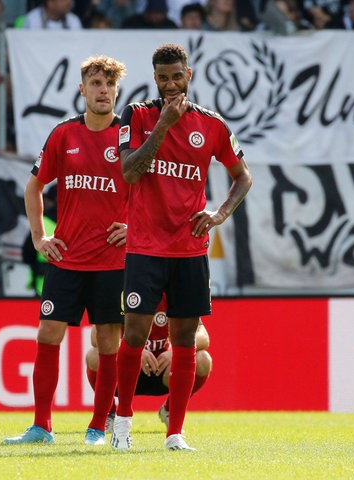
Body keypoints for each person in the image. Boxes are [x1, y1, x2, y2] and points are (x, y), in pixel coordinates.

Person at [111, 42, 252, 451]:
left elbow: (243, 176)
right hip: (145, 247)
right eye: (162, 77)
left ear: (189, 75)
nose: (170, 84)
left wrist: (221, 213)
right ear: (154, 79)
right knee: (134, 334)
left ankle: (175, 433)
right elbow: (129, 171)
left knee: (186, 339)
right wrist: (163, 126)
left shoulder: (212, 124)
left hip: (190, 248)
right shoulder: (136, 115)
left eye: (177, 76)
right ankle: (121, 427)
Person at [4, 55, 130, 445]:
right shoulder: (63, 135)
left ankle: (96, 427)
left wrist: (134, 227)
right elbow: (33, 187)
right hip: (67, 258)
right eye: (96, 83)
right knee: (47, 334)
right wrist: (40, 237)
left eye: (109, 84)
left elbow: (152, 191)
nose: (103, 90)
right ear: (82, 90)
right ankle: (42, 426)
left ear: (117, 91)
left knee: (108, 342)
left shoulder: (129, 138)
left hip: (113, 261)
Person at [86, 297, 212, 433]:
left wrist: (176, 352)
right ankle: (109, 413)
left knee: (203, 360)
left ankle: (170, 410)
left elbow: (203, 336)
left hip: (162, 370)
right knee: (93, 356)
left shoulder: (173, 293)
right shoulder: (125, 294)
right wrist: (133, 349)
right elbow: (95, 336)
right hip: (124, 370)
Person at [18, 0, 83, 29]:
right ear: (50, 2)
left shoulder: (74, 20)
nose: (69, 2)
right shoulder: (32, 19)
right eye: (63, 0)